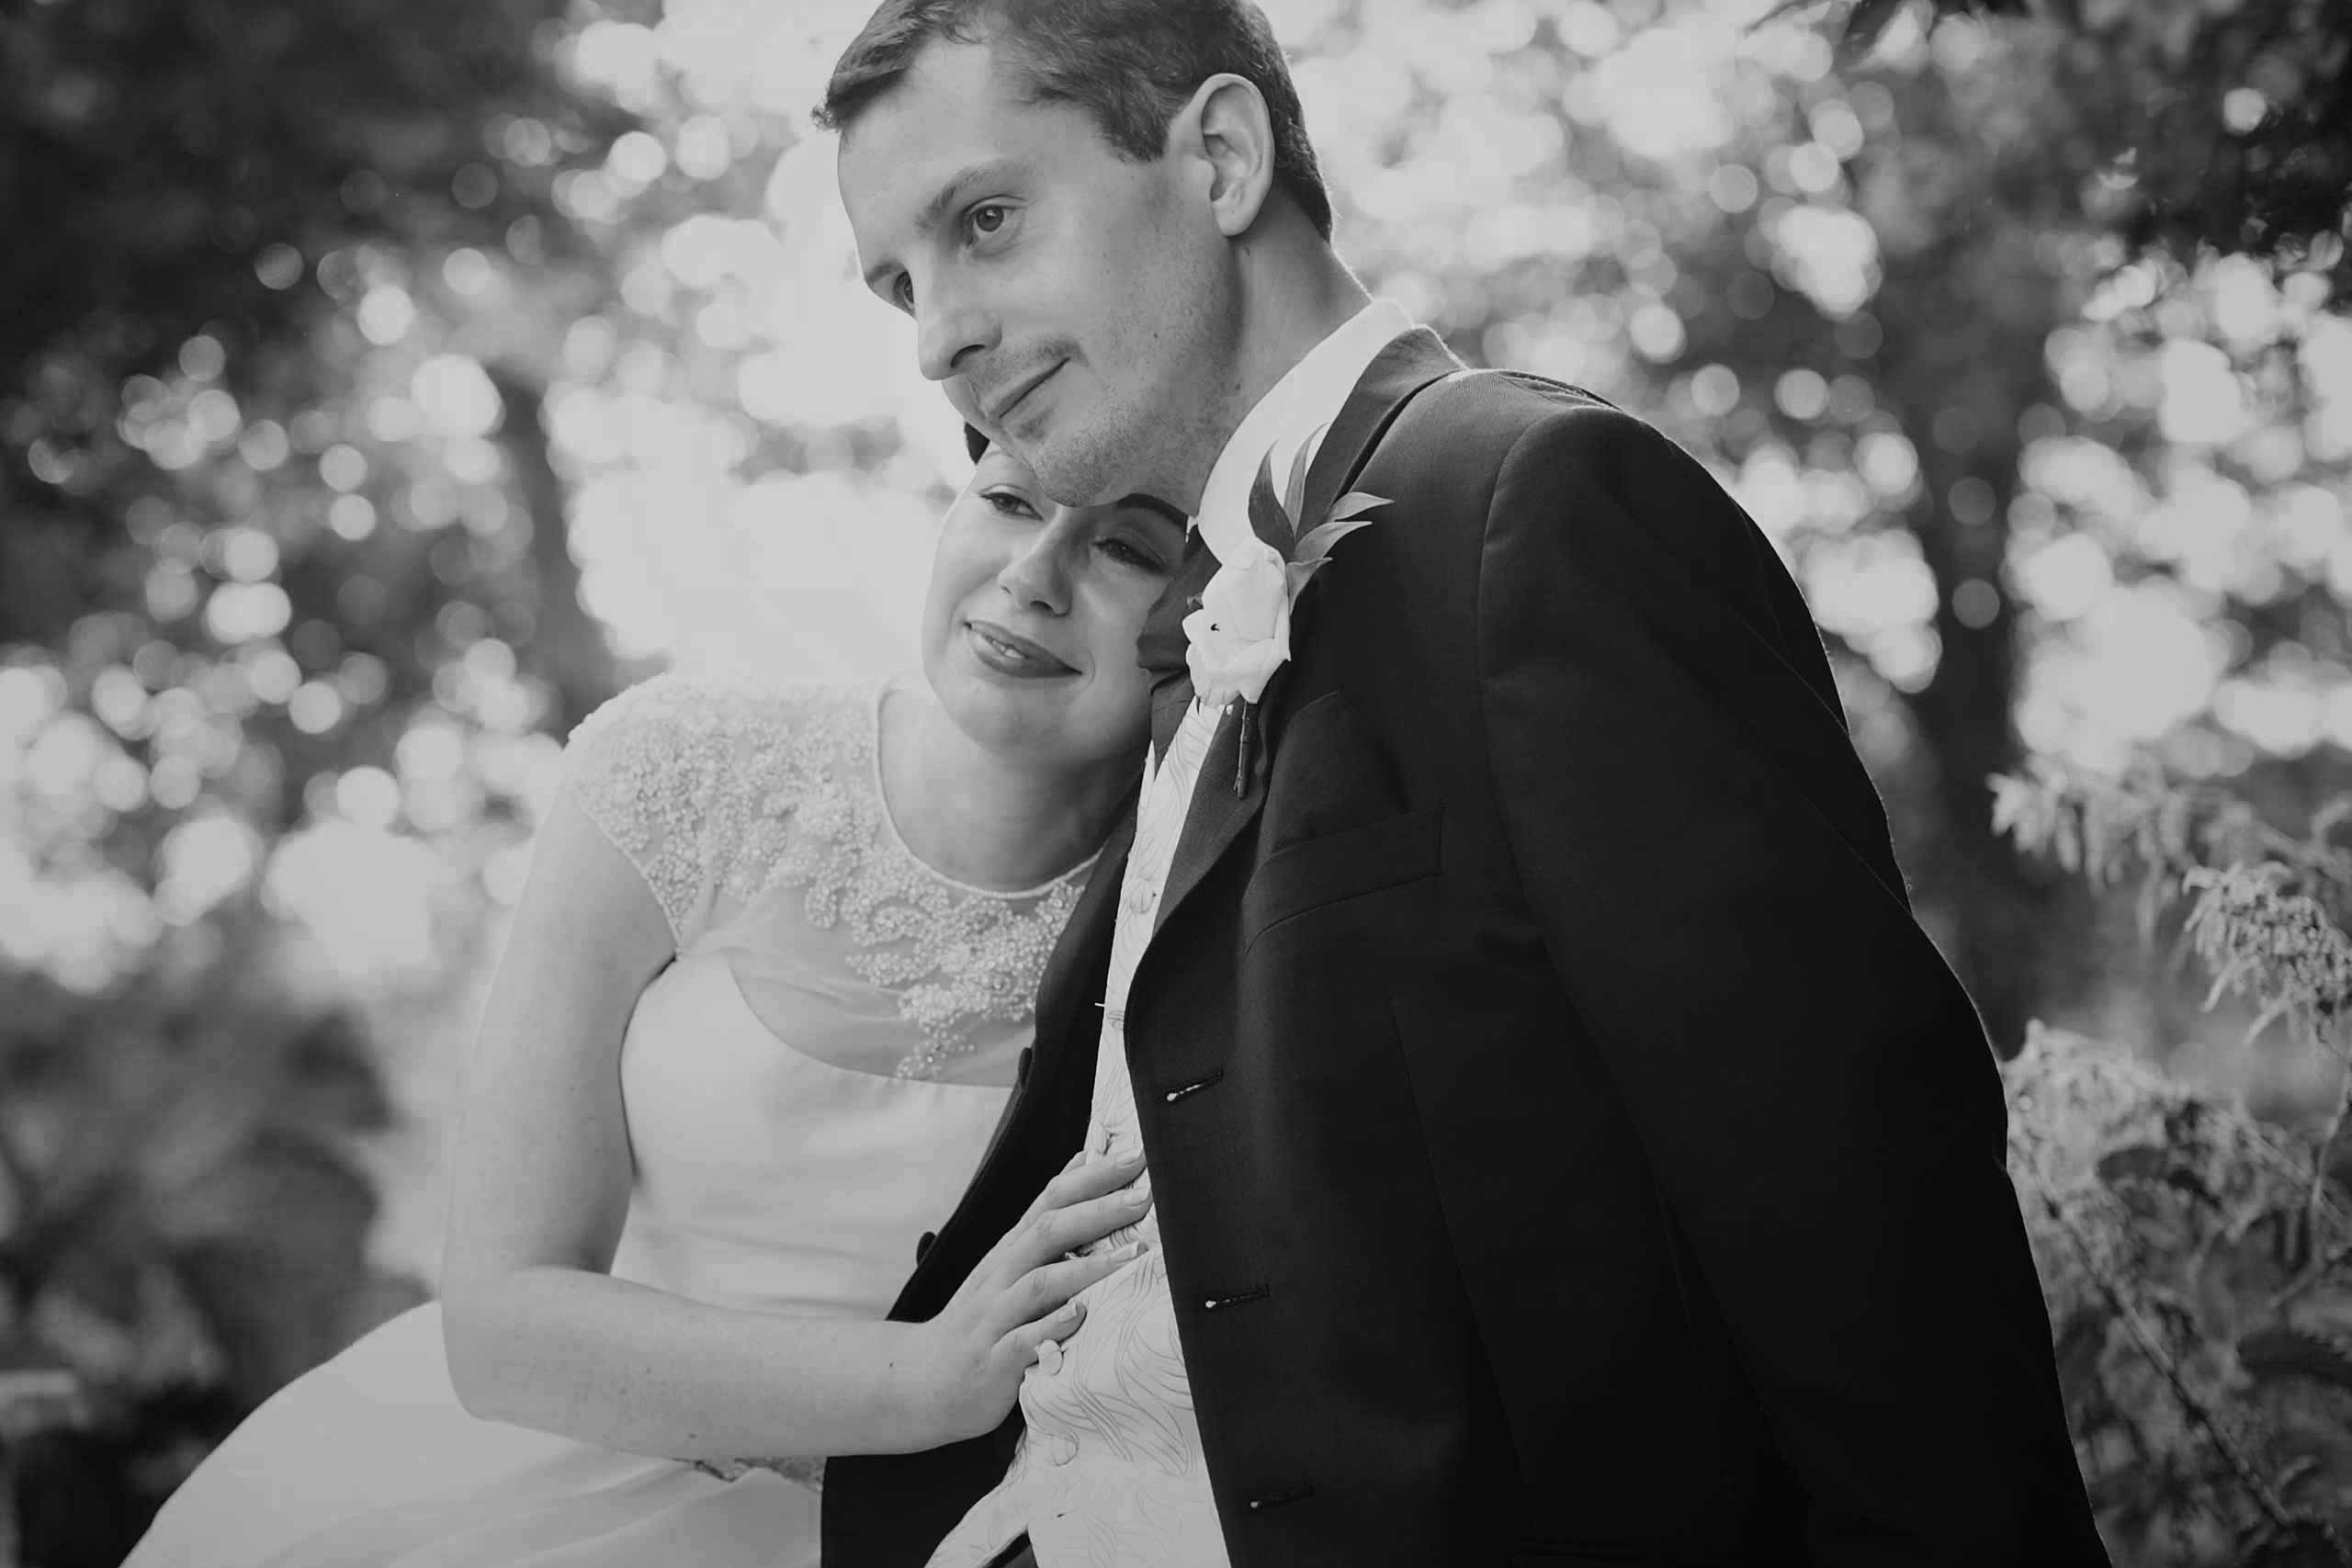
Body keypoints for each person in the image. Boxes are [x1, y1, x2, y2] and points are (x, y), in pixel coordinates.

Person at [818, 3, 2111, 1564]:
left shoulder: (1534, 510)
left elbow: (1862, 1240)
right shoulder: (1182, 637)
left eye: (987, 220)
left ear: (1219, 156)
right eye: (901, 280)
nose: (935, 336)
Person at [121, 434, 1188, 1568]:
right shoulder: (680, 774)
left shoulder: (1205, 906)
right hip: (530, 1488)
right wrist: (925, 1384)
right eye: (1009, 500)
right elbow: (499, 1326)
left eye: (1124, 548)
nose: (1033, 573)